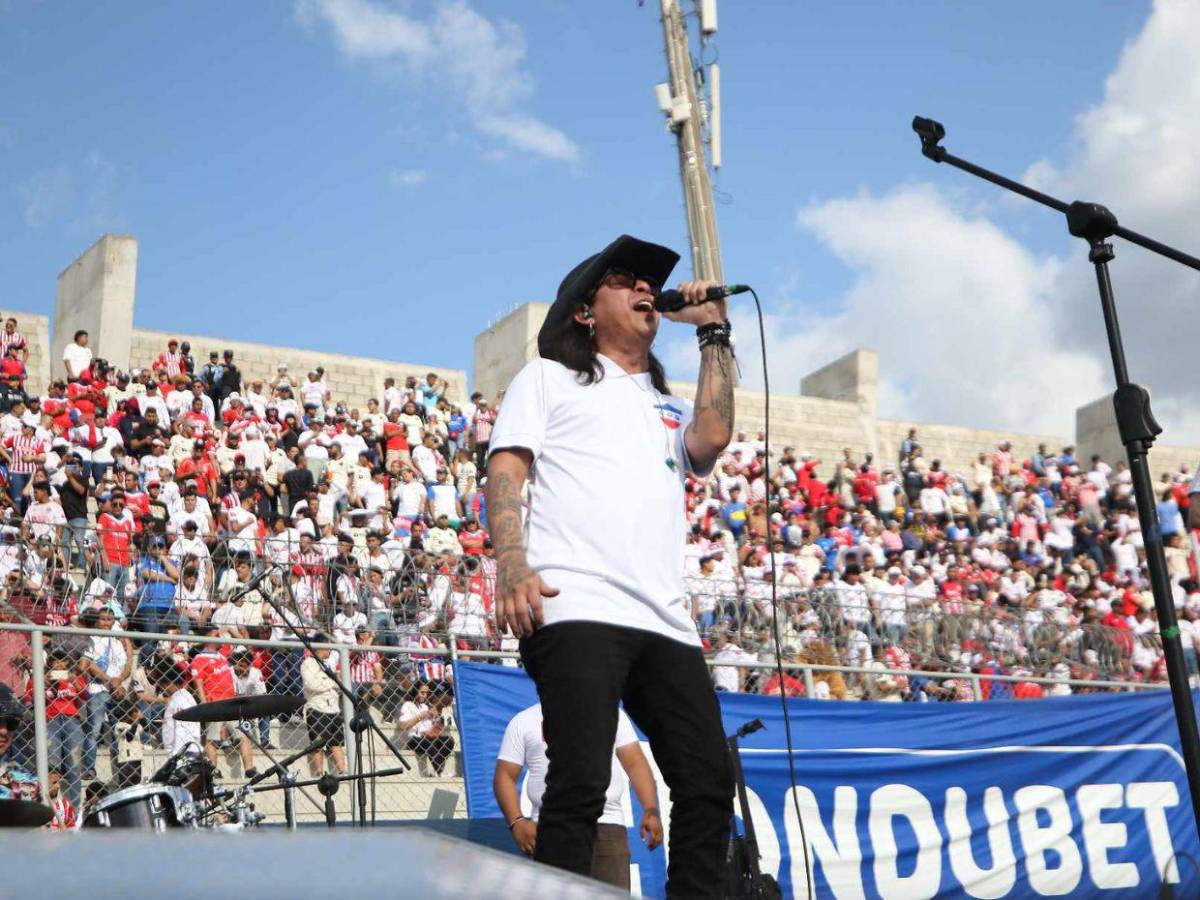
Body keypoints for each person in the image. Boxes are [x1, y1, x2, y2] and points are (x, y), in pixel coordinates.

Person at [485, 234, 735, 893]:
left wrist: (712, 332)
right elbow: (507, 467)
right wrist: (512, 564)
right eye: (623, 279)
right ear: (585, 311)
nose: (643, 287)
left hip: (664, 618)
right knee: (581, 779)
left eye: (648, 281)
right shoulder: (549, 378)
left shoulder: (669, 405)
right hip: (578, 602)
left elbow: (712, 436)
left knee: (709, 778)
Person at [494, 703, 662, 891]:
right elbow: (505, 776)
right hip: (549, 829)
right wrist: (516, 822)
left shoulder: (612, 713)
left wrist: (650, 808)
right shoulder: (523, 721)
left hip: (606, 827)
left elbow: (634, 762)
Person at [300, 637, 346, 776]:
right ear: (321, 647)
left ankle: (343, 771)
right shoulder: (308, 663)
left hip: (333, 708)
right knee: (318, 743)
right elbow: (311, 684)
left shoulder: (327, 664)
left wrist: (329, 682)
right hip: (316, 707)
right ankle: (319, 772)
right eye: (329, 647)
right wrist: (331, 683)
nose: (331, 650)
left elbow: (339, 684)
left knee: (336, 742)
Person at [398, 681, 454, 776]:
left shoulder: (425, 707)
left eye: (426, 693)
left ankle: (437, 769)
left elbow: (435, 727)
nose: (424, 696)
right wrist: (420, 717)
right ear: (415, 691)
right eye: (422, 693)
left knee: (449, 741)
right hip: (412, 738)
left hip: (426, 737)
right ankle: (439, 772)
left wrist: (437, 718)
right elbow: (403, 726)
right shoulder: (407, 705)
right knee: (429, 742)